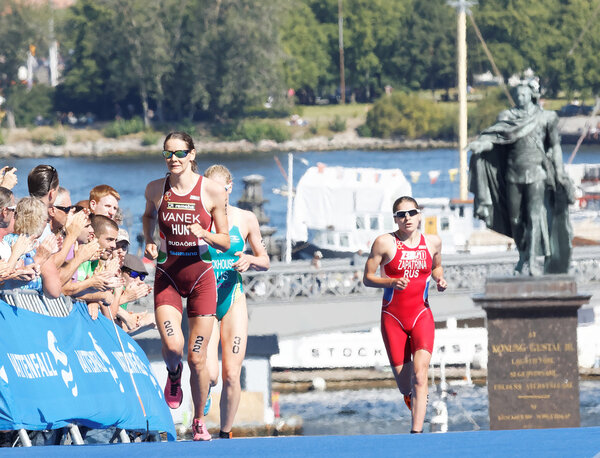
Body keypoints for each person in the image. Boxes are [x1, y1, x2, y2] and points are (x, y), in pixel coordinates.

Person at [143, 131, 230, 441]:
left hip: (200, 279)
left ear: (192, 154)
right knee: (173, 347)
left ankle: (198, 420)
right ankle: (173, 373)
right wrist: (150, 242)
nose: (174, 160)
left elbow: (226, 240)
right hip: (167, 275)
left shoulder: (212, 191)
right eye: (168, 154)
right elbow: (148, 216)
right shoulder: (155, 188)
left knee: (197, 356)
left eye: (180, 153)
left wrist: (203, 234)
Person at [468, 79, 574, 275]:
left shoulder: (547, 117)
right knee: (515, 219)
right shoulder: (507, 116)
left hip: (537, 174)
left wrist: (559, 170)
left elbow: (555, 146)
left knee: (534, 217)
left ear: (532, 95)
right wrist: (482, 145)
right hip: (513, 174)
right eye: (517, 95)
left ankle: (533, 261)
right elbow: (495, 139)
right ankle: (522, 254)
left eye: (524, 94)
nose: (520, 98)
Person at [363, 196, 447, 434]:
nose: (407, 218)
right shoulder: (384, 243)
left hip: (422, 314)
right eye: (401, 215)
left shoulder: (433, 242)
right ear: (395, 219)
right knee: (404, 384)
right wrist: (390, 281)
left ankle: (417, 433)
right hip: (393, 318)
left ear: (419, 215)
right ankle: (410, 396)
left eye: (411, 213)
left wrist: (439, 278)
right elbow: (367, 278)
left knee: (420, 376)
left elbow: (436, 266)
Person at [203, 164, 270, 439]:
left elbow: (264, 260)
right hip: (204, 301)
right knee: (211, 374)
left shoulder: (245, 219)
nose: (212, 195)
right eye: (207, 190)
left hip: (233, 299)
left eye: (218, 190)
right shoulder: (199, 219)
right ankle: (203, 391)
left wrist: (250, 259)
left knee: (231, 373)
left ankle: (225, 432)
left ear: (229, 188)